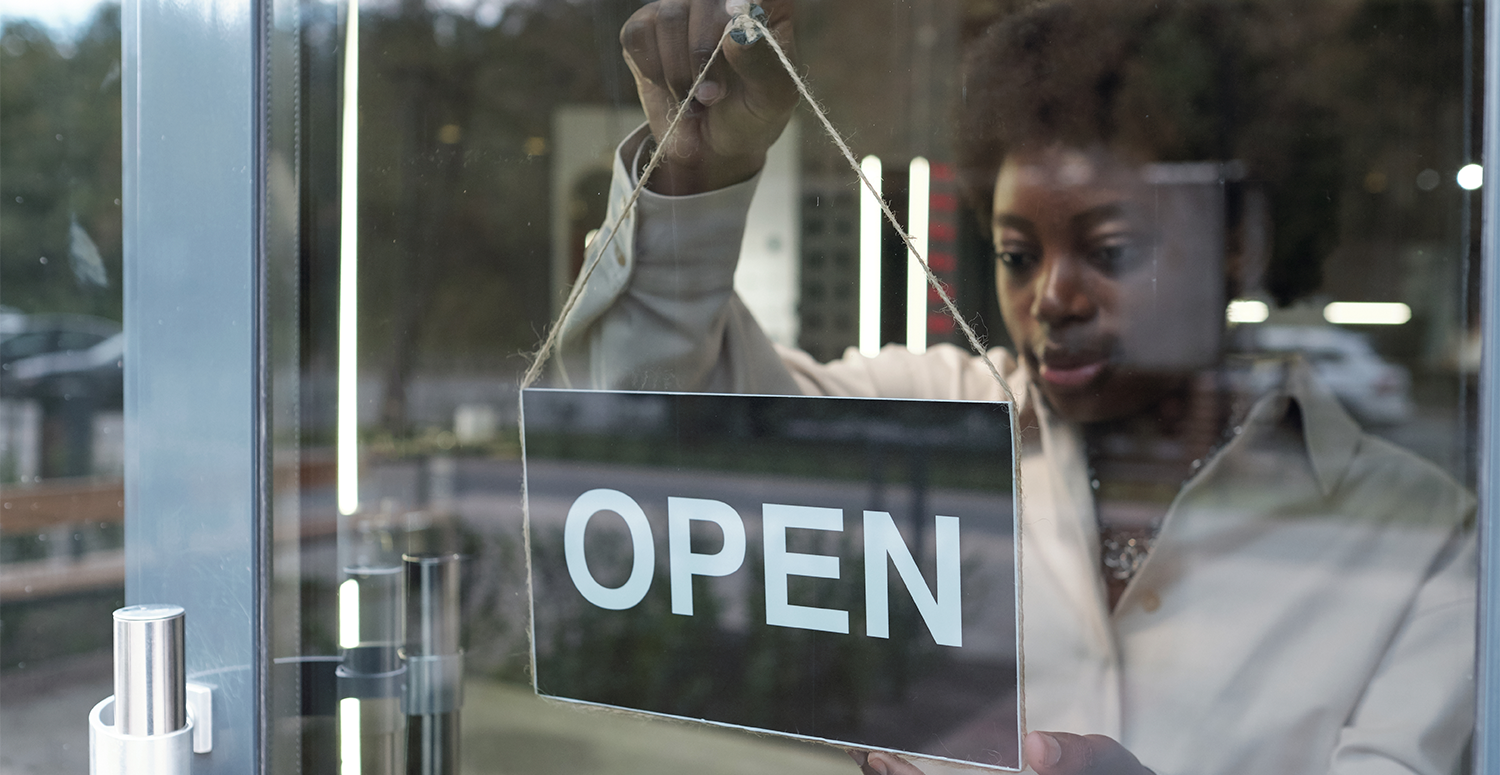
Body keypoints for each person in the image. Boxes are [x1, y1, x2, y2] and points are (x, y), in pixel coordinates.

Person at [556, 1, 1477, 773]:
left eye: (1111, 251)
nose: (1053, 297)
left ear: (1238, 246)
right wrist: (696, 171)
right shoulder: (936, 414)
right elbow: (652, 415)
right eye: (1016, 255)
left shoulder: (1426, 538)